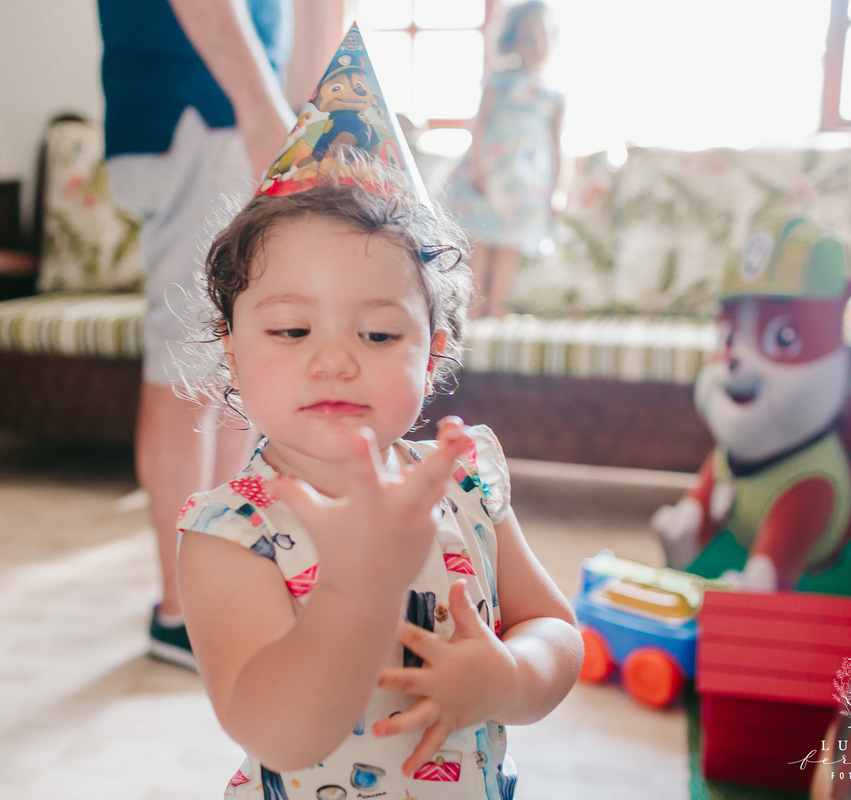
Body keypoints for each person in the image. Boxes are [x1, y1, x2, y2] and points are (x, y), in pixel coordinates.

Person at [174, 29, 583, 794]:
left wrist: (510, 677)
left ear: (432, 353)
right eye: (292, 330)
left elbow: (554, 628)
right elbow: (275, 730)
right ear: (230, 348)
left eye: (380, 332)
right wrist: (358, 586)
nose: (334, 359)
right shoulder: (230, 535)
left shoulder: (463, 485)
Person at [97, 0, 296, 668]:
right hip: (199, 105)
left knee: (222, 369)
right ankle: (180, 612)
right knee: (188, 366)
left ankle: (213, 589)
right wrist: (261, 105)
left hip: (215, 102)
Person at [447, 0, 565, 318]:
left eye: (543, 37)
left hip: (527, 181)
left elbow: (556, 145)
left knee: (511, 241)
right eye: (528, 37)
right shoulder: (498, 80)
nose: (537, 45)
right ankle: (474, 306)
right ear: (512, 40)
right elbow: (480, 124)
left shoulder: (554, 95)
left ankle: (496, 303)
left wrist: (557, 189)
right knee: (481, 236)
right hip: (490, 171)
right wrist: (478, 165)